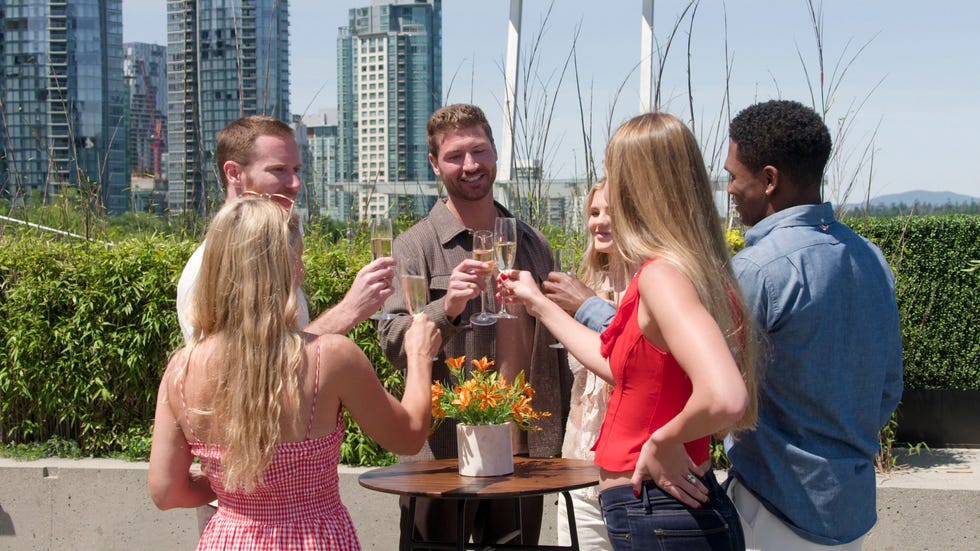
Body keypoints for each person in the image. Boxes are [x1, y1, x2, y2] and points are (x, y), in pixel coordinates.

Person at [501, 112, 760, 550]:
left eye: (617, 172)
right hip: (660, 508)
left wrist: (662, 440)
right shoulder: (694, 272)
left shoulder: (662, 276)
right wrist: (538, 304)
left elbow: (726, 396)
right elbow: (617, 364)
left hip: (660, 508)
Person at [149, 197, 441, 550]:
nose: (302, 271)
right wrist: (421, 356)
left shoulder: (181, 369)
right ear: (284, 269)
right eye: (298, 259)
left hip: (227, 539)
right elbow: (408, 437)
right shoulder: (329, 357)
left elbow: (166, 492)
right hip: (312, 539)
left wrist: (243, 484)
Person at [377, 103, 570, 549]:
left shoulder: (533, 242)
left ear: (495, 153)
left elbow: (556, 339)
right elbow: (391, 341)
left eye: (479, 151)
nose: (470, 165)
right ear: (434, 164)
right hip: (441, 455)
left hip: (522, 454)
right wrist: (448, 306)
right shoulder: (414, 247)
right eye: (455, 156)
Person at [722, 99, 903, 550]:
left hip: (772, 509)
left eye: (732, 175)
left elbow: (714, 390)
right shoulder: (871, 259)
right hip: (847, 509)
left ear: (768, 180)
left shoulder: (757, 270)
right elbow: (887, 387)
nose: (728, 188)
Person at [176, 115, 395, 344]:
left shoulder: (279, 249)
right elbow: (242, 370)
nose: (295, 184)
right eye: (279, 170)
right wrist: (348, 311)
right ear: (233, 173)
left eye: (296, 169)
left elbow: (280, 350)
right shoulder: (207, 270)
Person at [542, 179, 619, 550]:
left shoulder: (654, 285)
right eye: (594, 212)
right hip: (579, 462)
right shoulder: (585, 281)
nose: (599, 222)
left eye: (610, 212)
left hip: (629, 472)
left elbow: (632, 363)